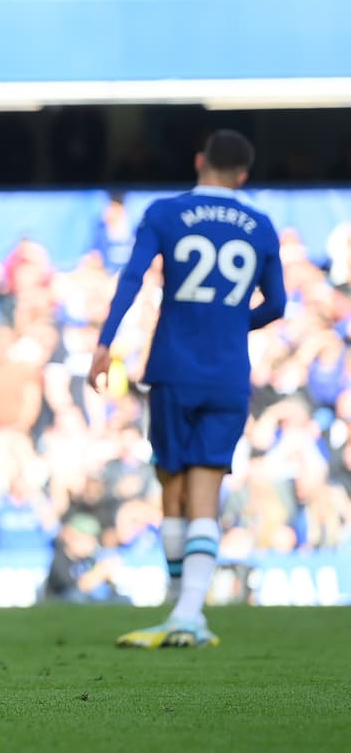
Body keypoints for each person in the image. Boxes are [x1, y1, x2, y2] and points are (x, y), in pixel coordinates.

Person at [90, 129, 285, 648]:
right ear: (242, 175)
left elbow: (132, 279)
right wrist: (229, 322)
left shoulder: (164, 213)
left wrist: (105, 344)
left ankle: (187, 614)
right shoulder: (261, 226)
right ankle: (185, 610)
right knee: (196, 492)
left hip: (173, 368)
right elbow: (279, 305)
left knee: (177, 489)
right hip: (227, 373)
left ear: (199, 161)